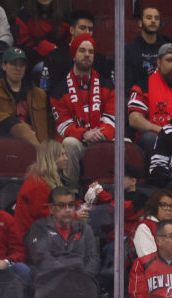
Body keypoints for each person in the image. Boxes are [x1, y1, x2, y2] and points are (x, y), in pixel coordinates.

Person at [49, 33, 115, 185]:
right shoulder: (60, 90)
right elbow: (63, 125)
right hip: (79, 142)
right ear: (73, 55)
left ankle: (117, 191)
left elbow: (112, 119)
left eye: (91, 52)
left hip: (102, 137)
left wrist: (99, 134)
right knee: (70, 143)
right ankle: (71, 193)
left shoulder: (107, 85)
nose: (87, 55)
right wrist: (85, 134)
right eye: (82, 50)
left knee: (126, 142)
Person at [0, 46, 50, 146]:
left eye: (22, 65)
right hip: (0, 140)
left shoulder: (38, 94)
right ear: (4, 65)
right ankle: (43, 158)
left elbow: (46, 126)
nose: (18, 68)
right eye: (13, 64)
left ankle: (44, 155)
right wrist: (19, 125)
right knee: (18, 126)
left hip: (34, 141)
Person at [25, 185, 99, 282]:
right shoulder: (40, 227)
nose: (68, 209)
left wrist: (83, 277)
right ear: (51, 208)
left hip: (81, 283)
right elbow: (42, 258)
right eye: (62, 205)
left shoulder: (85, 229)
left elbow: (93, 259)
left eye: (71, 205)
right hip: (50, 282)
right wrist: (68, 275)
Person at [43, 10, 112, 93]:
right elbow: (49, 90)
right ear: (72, 30)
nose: (87, 32)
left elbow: (107, 89)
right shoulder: (55, 56)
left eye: (90, 29)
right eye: (82, 28)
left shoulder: (100, 59)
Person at [13, 139, 67, 236]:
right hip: (32, 239)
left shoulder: (44, 179)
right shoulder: (38, 183)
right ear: (51, 158)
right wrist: (75, 215)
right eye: (62, 155)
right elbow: (44, 217)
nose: (66, 158)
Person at [132, 189, 172, 259]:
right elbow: (148, 262)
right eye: (163, 205)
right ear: (154, 206)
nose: (169, 208)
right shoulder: (144, 227)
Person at [124, 5, 172, 89]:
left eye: (156, 18)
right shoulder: (130, 49)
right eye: (149, 18)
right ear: (140, 23)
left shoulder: (168, 45)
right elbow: (128, 83)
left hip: (166, 93)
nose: (153, 21)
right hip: (140, 95)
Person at [13, 0, 69, 73]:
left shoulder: (65, 15)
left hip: (61, 60)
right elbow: (24, 44)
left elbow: (69, 41)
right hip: (32, 63)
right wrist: (45, 47)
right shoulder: (23, 16)